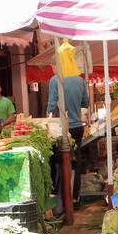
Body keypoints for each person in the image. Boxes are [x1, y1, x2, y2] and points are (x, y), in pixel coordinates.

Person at [47, 70, 90, 209]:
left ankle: (62, 203)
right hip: (77, 127)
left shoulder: (55, 80)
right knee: (75, 164)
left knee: (59, 164)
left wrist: (47, 119)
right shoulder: (80, 80)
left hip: (61, 129)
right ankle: (74, 200)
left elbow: (52, 104)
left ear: (56, 66)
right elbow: (86, 102)